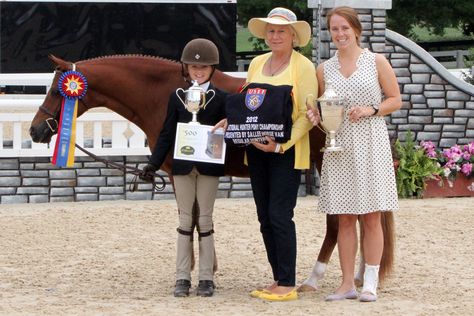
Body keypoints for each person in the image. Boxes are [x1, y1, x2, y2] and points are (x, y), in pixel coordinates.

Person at [214, 7, 317, 302]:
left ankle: (287, 282)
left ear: (293, 36)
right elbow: (250, 105)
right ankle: (278, 278)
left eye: (281, 31)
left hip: (287, 150)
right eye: (270, 31)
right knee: (264, 217)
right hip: (256, 152)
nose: (274, 35)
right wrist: (232, 122)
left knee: (280, 215)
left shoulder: (303, 67)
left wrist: (281, 145)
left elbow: (307, 114)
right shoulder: (258, 63)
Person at [306, 6, 401, 302]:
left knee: (372, 217)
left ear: (356, 30)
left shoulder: (376, 61)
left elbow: (395, 99)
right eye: (334, 29)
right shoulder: (324, 69)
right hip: (339, 148)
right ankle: (346, 283)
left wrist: (372, 109)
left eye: (345, 28)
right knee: (345, 218)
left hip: (371, 143)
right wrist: (315, 116)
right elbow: (325, 111)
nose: (340, 34)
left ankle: (370, 281)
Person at [140, 38, 226, 297]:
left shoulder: (220, 98)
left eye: (204, 68)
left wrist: (229, 126)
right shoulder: (178, 98)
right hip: (183, 165)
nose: (198, 72)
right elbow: (166, 133)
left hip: (208, 165)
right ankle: (181, 276)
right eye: (193, 68)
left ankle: (206, 278)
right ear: (186, 69)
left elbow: (228, 128)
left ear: (212, 69)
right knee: (185, 219)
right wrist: (153, 164)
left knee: (206, 219)